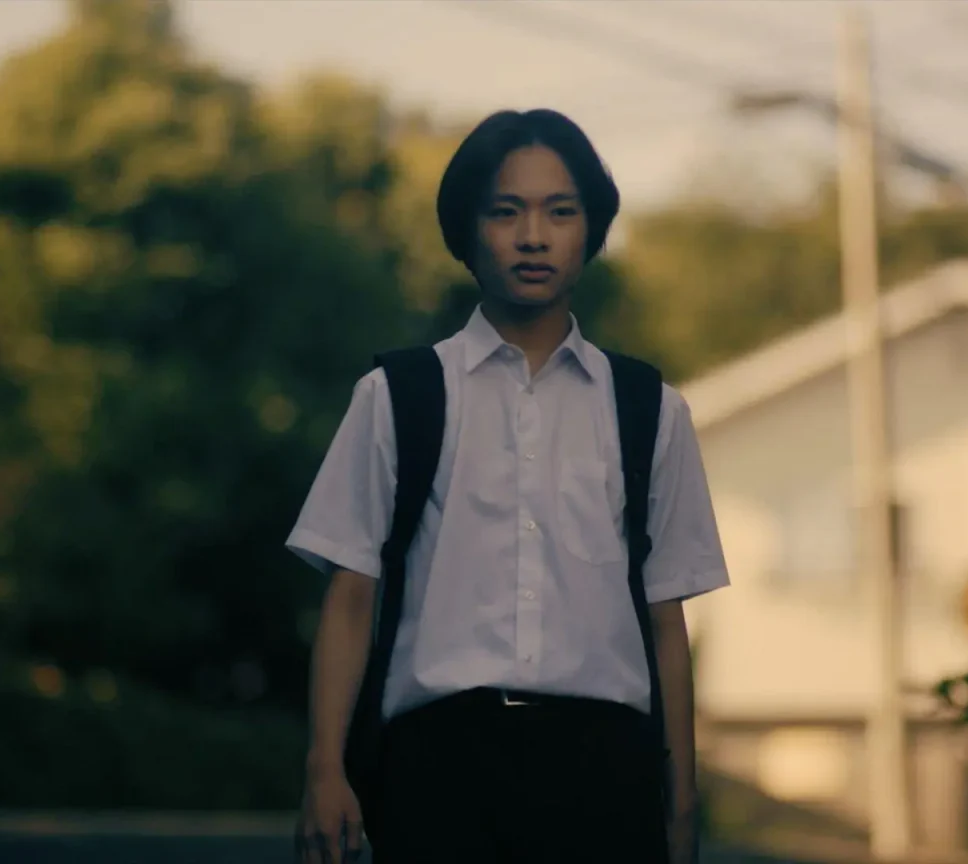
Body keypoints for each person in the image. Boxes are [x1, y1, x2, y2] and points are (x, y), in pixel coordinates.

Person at [288, 108, 729, 864]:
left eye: (560, 211)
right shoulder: (398, 396)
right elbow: (351, 594)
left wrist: (681, 802)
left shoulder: (649, 409)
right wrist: (324, 770)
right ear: (466, 232)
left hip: (605, 774)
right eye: (505, 212)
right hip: (438, 768)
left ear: (591, 229)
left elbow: (666, 619)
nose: (533, 236)